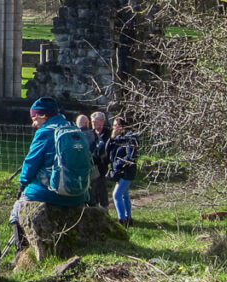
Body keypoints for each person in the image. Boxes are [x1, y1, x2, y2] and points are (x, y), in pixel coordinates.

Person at [9, 98, 90, 241]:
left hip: (51, 192)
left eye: (34, 118)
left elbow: (31, 162)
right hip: (79, 194)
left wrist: (22, 184)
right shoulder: (73, 128)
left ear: (43, 115)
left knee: (17, 210)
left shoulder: (45, 132)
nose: (34, 124)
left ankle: (21, 250)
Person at [107, 116, 139, 227]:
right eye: (114, 125)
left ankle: (122, 220)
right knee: (124, 195)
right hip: (119, 171)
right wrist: (112, 138)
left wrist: (118, 164)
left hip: (127, 171)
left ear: (122, 126)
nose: (114, 127)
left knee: (116, 195)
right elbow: (107, 150)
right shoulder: (118, 138)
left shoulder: (130, 138)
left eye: (116, 125)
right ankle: (128, 218)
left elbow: (131, 156)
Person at [88, 111, 111, 208]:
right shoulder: (90, 134)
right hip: (92, 164)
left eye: (96, 121)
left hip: (102, 165)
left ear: (102, 121)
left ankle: (104, 208)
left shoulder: (108, 134)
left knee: (102, 188)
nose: (94, 124)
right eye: (92, 122)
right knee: (92, 189)